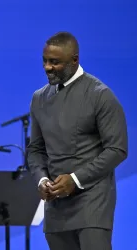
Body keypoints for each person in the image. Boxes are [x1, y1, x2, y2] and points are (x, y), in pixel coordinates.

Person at [27, 31, 128, 250]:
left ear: (75, 60)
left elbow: (117, 149)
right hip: (55, 207)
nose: (47, 67)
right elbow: (35, 149)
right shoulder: (38, 98)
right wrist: (41, 180)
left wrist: (75, 179)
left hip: (92, 204)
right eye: (44, 61)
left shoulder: (100, 95)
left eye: (55, 62)